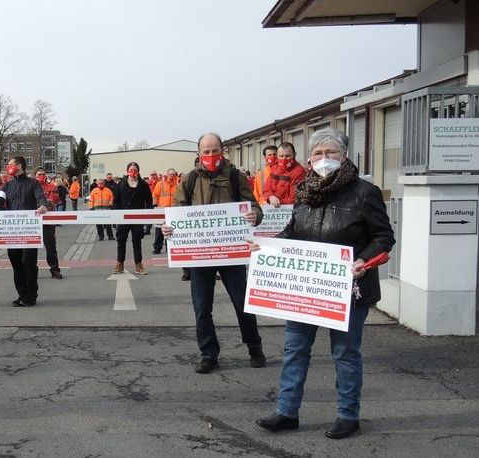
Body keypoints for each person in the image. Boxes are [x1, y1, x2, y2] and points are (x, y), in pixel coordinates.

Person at [256, 128, 395, 440]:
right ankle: (287, 411)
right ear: (309, 158)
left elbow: (384, 238)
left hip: (348, 290)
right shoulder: (304, 191)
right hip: (305, 289)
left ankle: (348, 415)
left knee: (345, 353)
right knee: (294, 350)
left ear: (344, 155)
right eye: (318, 153)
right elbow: (293, 232)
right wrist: (268, 249)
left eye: (330, 152)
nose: (323, 158)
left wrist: (364, 261)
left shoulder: (364, 192)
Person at [162, 132, 266, 374]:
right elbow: (178, 211)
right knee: (202, 308)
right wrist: (170, 228)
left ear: (223, 150)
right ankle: (208, 354)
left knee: (243, 304)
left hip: (231, 252)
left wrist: (254, 215)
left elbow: (253, 205)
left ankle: (254, 347)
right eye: (206, 151)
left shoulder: (234, 175)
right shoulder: (188, 180)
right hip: (200, 255)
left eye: (215, 150)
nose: (211, 155)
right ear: (199, 154)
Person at [0, 156, 48, 306]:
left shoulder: (34, 184)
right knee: (16, 263)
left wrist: (43, 205)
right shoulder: (7, 186)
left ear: (19, 166)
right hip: (12, 232)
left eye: (10, 165)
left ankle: (31, 296)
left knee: (28, 262)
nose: (8, 168)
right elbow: (0, 200)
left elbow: (40, 197)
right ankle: (21, 294)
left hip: (29, 231)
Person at [112, 162, 153, 275]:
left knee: (137, 240)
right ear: (127, 171)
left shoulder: (143, 184)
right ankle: (119, 263)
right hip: (122, 218)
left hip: (138, 219)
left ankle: (138, 264)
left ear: (138, 171)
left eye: (135, 169)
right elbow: (116, 201)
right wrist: (116, 217)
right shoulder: (120, 184)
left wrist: (148, 217)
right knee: (121, 240)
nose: (133, 171)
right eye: (131, 169)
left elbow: (149, 201)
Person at [35, 168, 63, 279]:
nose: (41, 176)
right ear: (35, 176)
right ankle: (32, 271)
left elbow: (53, 200)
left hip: (48, 220)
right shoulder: (31, 187)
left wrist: (45, 203)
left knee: (51, 246)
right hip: (34, 221)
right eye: (39, 174)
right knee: (31, 248)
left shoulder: (52, 186)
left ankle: (55, 269)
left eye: (43, 174)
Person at [262, 142, 306, 207]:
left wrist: (278, 202)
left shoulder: (299, 172)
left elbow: (295, 198)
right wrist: (271, 196)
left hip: (290, 210)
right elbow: (267, 188)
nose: (284, 159)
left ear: (294, 155)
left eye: (287, 156)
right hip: (272, 209)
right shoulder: (274, 168)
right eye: (281, 156)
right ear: (277, 156)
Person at [151, 168, 178, 255]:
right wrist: (155, 205)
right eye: (170, 174)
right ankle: (157, 248)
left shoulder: (178, 184)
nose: (172, 176)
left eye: (173, 174)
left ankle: (169, 248)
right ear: (166, 175)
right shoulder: (160, 184)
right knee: (159, 231)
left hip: (173, 210)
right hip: (161, 210)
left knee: (171, 230)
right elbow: (155, 195)